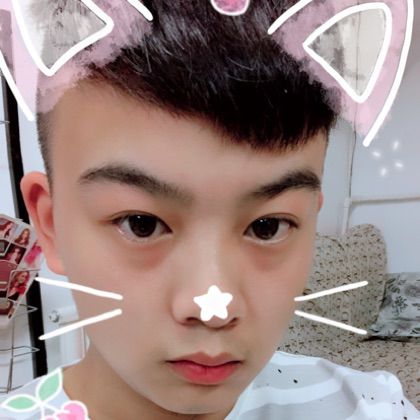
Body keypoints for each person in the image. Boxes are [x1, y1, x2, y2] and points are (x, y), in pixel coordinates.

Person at [0, 1, 418, 419]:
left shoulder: (373, 408)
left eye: (268, 226)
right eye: (142, 225)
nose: (213, 307)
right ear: (51, 226)